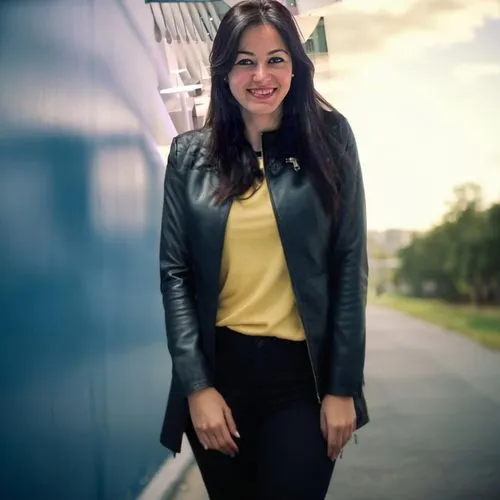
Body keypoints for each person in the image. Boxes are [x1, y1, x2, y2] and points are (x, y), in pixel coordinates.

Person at [159, 1, 369, 498]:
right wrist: (197, 386)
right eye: (244, 61)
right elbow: (175, 274)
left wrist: (341, 387)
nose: (261, 76)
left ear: (296, 65)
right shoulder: (189, 156)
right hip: (220, 376)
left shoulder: (331, 140)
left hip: (303, 378)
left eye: (275, 59)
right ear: (224, 71)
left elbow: (349, 265)